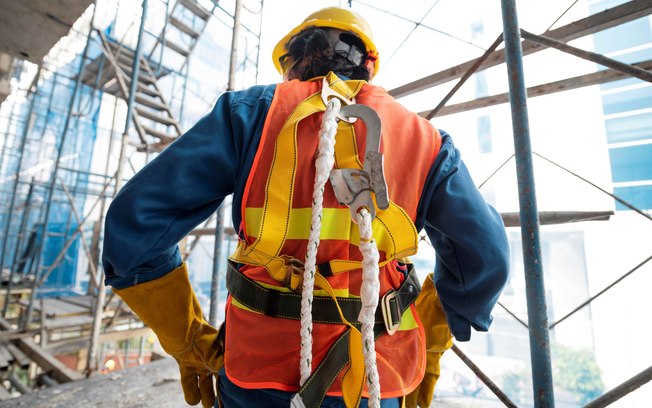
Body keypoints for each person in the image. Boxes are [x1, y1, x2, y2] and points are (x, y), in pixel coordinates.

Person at [102, 7, 509, 408]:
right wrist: (434, 338)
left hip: (257, 370)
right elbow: (484, 255)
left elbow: (135, 224)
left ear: (293, 62)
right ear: (367, 64)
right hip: (377, 374)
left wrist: (185, 336)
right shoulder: (423, 139)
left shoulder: (249, 115)